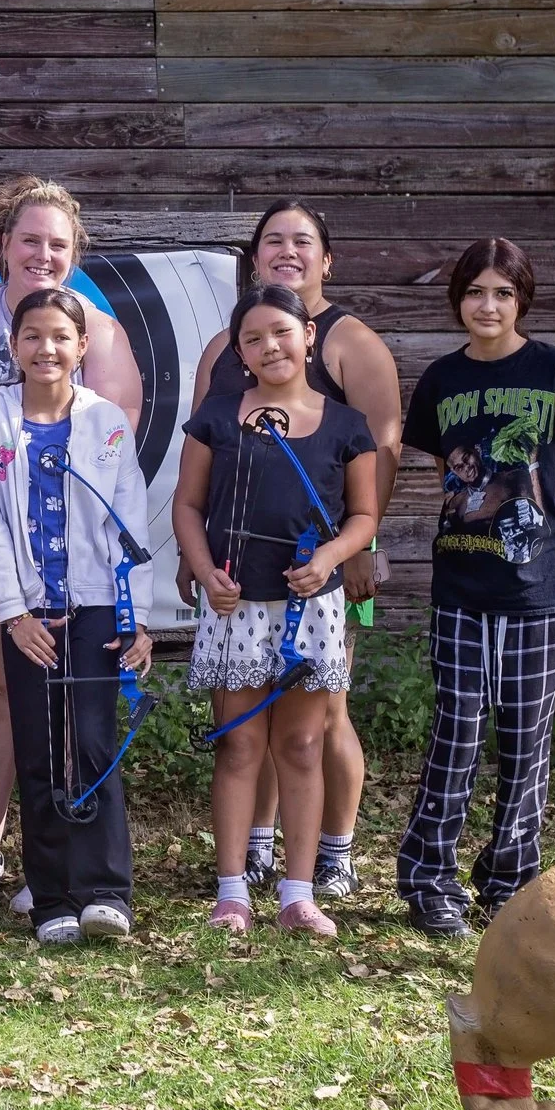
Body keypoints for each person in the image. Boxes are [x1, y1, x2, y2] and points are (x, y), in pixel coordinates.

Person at [0, 178, 142, 912]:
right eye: (30, 239)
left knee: (68, 709)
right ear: (3, 245)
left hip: (66, 566)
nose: (43, 254)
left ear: (74, 255)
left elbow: (116, 452)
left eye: (59, 244)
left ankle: (69, 869)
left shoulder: (99, 331)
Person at [185, 200, 402, 899]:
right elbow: (197, 483)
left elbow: (378, 457)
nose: (287, 249)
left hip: (322, 572)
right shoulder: (223, 358)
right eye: (272, 239)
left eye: (302, 239)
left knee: (317, 724)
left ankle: (326, 859)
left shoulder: (353, 344)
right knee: (247, 735)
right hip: (236, 578)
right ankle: (247, 859)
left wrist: (347, 553)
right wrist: (200, 560)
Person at [395, 239, 555, 939]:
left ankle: (510, 882)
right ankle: (429, 877)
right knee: (456, 731)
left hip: (542, 594)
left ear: (521, 300)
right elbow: (435, 472)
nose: (488, 304)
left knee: (525, 740)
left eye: (502, 293)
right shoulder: (442, 379)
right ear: (458, 298)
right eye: (476, 291)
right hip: (461, 586)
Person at [0, 288, 153, 946]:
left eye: (60, 337)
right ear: (14, 346)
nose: (47, 348)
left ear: (82, 347)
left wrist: (137, 618)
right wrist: (13, 613)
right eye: (33, 336)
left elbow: (130, 522)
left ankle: (105, 889)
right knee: (40, 745)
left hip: (98, 607)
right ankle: (52, 896)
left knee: (93, 745)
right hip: (30, 616)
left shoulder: (107, 423)